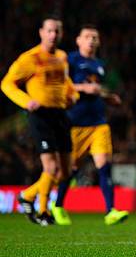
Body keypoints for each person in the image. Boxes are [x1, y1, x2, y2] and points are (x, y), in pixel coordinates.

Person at [1, 17, 78, 226]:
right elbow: (7, 83)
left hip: (60, 115)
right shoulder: (31, 58)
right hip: (41, 115)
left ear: (61, 35)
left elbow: (65, 82)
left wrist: (73, 96)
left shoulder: (62, 57)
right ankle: (43, 211)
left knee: (66, 171)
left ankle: (27, 196)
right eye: (49, 31)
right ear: (41, 33)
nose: (53, 35)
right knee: (50, 168)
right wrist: (26, 101)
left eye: (57, 32)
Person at [50, 24, 129, 226]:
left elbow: (96, 91)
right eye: (87, 37)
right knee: (70, 169)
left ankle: (110, 211)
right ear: (78, 40)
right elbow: (60, 85)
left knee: (104, 166)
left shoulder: (99, 65)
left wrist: (108, 97)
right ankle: (57, 205)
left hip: (98, 124)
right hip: (75, 124)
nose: (91, 40)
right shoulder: (70, 60)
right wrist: (83, 88)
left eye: (95, 37)